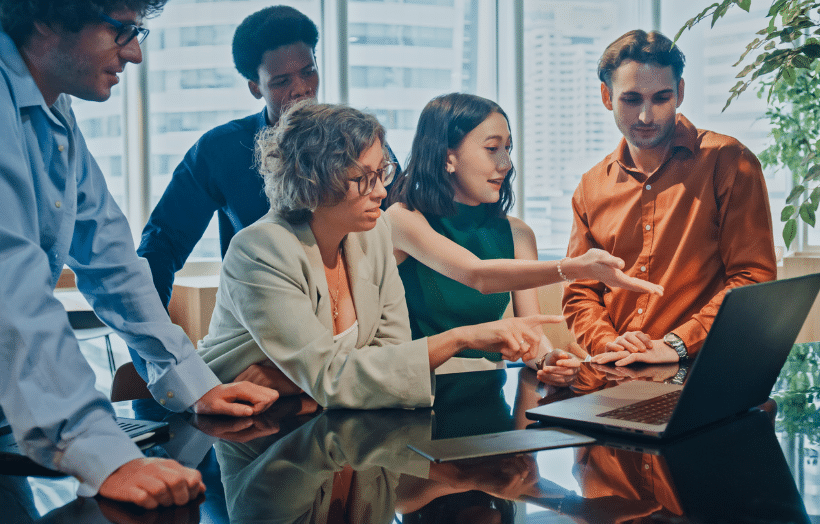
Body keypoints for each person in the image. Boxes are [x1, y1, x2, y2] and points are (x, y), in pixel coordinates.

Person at [0, 0, 278, 509]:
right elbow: (8, 290)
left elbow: (112, 262)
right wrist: (103, 453)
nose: (134, 54)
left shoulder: (53, 110)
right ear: (45, 20)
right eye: (121, 31)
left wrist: (194, 386)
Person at [198, 101, 558, 408]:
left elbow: (392, 352)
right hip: (244, 425)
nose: (383, 191)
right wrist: (463, 338)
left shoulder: (372, 235)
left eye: (382, 172)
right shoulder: (260, 249)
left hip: (325, 415)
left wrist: (289, 378)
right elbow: (331, 378)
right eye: (366, 178)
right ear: (317, 182)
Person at [134, 5, 400, 382]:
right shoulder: (220, 151)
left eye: (308, 71)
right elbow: (159, 251)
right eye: (281, 81)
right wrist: (160, 365)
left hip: (344, 357)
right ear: (254, 86)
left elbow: (387, 243)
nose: (301, 89)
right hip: (260, 352)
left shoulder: (359, 147)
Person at [385, 93, 663, 382]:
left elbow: (531, 336)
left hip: (491, 388)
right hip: (419, 391)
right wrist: (575, 267)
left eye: (507, 148)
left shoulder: (518, 233)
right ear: (447, 156)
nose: (506, 163)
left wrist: (548, 359)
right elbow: (477, 275)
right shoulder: (402, 219)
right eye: (492, 148)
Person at [563, 30, 777, 367]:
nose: (646, 116)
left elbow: (753, 278)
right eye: (631, 99)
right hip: (618, 372)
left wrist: (676, 344)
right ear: (607, 96)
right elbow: (581, 292)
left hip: (706, 369)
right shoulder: (591, 186)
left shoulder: (729, 161)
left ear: (679, 92)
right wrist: (610, 344)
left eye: (661, 98)